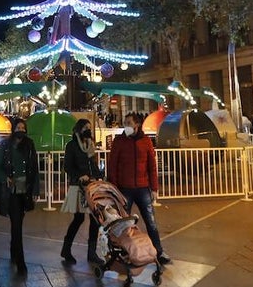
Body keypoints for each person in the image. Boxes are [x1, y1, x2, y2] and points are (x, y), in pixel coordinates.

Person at [108, 112, 171, 265]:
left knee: (151, 222)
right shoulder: (119, 141)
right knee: (122, 224)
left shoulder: (146, 141)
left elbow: (152, 166)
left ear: (137, 125)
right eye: (125, 122)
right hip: (124, 189)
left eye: (129, 122)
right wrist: (114, 189)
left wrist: (154, 188)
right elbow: (112, 166)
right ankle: (121, 253)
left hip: (143, 188)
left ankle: (159, 252)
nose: (126, 125)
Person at [0, 118, 41, 277]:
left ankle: (14, 249)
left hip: (24, 189)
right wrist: (4, 177)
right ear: (13, 129)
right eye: (18, 127)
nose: (21, 129)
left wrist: (35, 190)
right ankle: (20, 261)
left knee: (18, 221)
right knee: (17, 224)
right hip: (11, 189)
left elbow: (34, 168)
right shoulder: (5, 145)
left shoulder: (29, 144)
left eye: (23, 127)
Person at [60, 118, 102, 265]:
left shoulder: (90, 145)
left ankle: (92, 253)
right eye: (85, 127)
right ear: (78, 129)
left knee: (95, 219)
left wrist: (99, 176)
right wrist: (79, 176)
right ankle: (66, 249)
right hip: (79, 186)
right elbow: (67, 166)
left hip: (92, 185)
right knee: (78, 219)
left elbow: (94, 164)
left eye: (89, 127)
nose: (88, 130)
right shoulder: (71, 146)